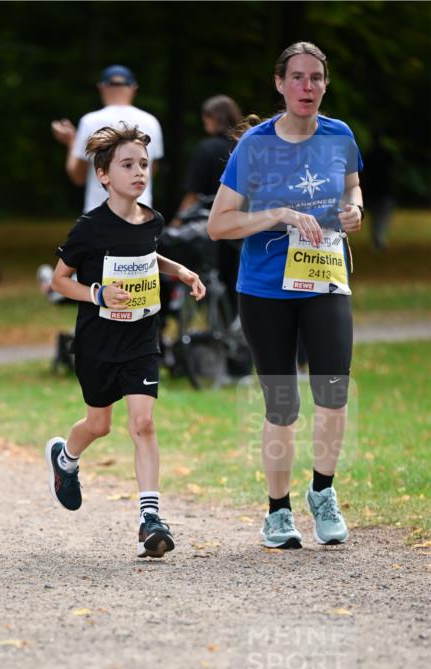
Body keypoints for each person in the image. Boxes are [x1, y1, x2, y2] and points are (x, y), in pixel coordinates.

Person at [208, 41, 364, 549]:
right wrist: (275, 214)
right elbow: (218, 225)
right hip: (266, 290)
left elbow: (352, 190)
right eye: (297, 77)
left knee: (333, 392)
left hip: (324, 281)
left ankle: (323, 492)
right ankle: (277, 513)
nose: (307, 87)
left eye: (316, 78)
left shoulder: (340, 135)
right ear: (279, 84)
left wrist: (354, 210)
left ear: (325, 83)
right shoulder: (253, 146)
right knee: (281, 402)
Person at [45, 124, 205, 558]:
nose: (139, 173)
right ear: (102, 174)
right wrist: (96, 293)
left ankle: (150, 517)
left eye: (143, 165)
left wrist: (181, 271)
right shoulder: (89, 228)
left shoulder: (151, 218)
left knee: (144, 423)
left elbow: (148, 253)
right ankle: (65, 458)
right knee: (99, 424)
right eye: (127, 165)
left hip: (141, 337)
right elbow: (60, 281)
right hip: (98, 342)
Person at [51, 65, 164, 213]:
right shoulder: (151, 122)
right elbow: (151, 169)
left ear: (101, 87)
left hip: (99, 215)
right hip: (141, 214)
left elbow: (78, 176)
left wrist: (72, 142)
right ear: (134, 87)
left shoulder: (90, 121)